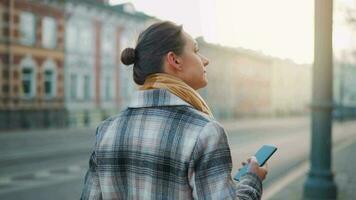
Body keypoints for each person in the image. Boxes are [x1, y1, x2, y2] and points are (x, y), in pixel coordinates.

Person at [81, 21, 268, 200]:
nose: (206, 60)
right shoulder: (205, 132)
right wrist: (252, 179)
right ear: (175, 60)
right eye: (196, 50)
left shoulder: (107, 130)